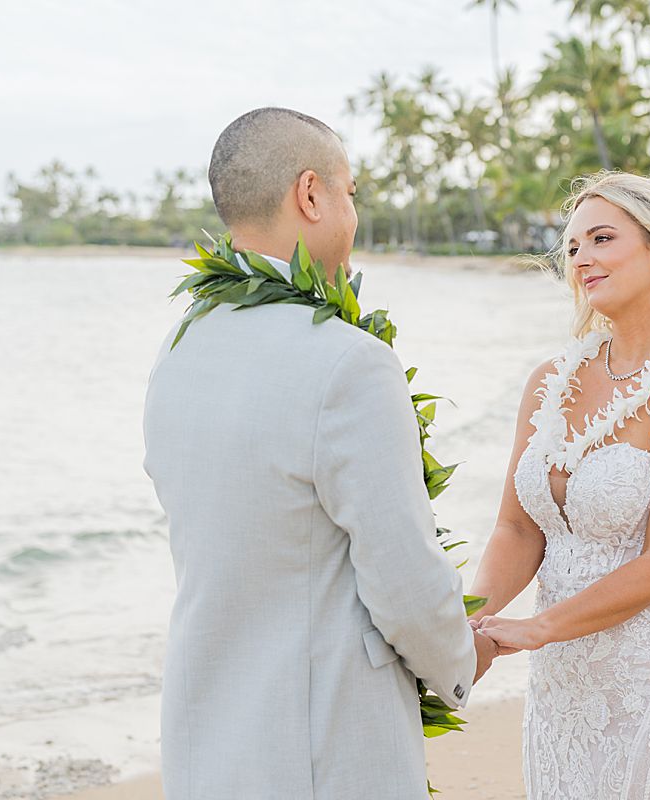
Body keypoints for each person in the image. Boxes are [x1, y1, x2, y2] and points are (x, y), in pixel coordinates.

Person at [142, 107, 497, 799]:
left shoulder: (178, 350)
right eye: (351, 193)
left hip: (204, 738)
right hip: (325, 745)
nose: (353, 215)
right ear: (310, 194)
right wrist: (459, 657)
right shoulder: (349, 364)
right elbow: (401, 573)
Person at [471, 171, 650, 799]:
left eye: (601, 238)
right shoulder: (552, 379)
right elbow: (518, 528)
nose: (582, 259)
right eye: (572, 248)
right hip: (563, 689)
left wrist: (536, 628)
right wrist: (476, 620)